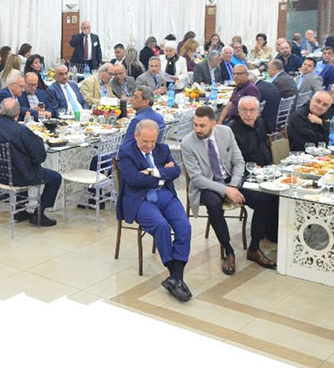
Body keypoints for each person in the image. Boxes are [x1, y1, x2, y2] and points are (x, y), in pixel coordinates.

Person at [181, 106, 277, 274]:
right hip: (207, 184)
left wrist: (232, 186)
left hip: (231, 180)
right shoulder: (187, 143)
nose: (198, 129)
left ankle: (254, 248)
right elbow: (197, 178)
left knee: (264, 197)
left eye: (202, 125)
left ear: (213, 124)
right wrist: (225, 191)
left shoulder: (226, 132)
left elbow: (239, 162)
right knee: (213, 204)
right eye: (195, 125)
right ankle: (229, 251)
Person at [118, 119, 191, 302]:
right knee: (161, 226)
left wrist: (153, 173)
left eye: (153, 141)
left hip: (166, 196)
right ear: (136, 136)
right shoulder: (126, 152)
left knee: (184, 227)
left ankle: (176, 278)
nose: (150, 146)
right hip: (140, 199)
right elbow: (134, 179)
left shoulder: (162, 149)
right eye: (145, 141)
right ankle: (174, 273)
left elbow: (176, 171)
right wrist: (163, 175)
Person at [0, 98, 62, 227]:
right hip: (19, 176)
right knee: (55, 178)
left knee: (21, 163)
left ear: (0, 110)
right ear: (18, 112)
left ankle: (20, 211)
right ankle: (39, 214)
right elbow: (39, 156)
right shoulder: (21, 130)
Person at [228, 96, 272, 167]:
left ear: (258, 111)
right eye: (244, 110)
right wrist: (250, 167)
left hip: (267, 167)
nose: (248, 114)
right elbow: (231, 159)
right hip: (247, 169)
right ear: (239, 111)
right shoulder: (232, 129)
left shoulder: (261, 122)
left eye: (252, 110)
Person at [120, 87, 165, 152]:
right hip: (155, 153)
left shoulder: (138, 121)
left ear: (146, 101)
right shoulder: (159, 117)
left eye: (136, 97)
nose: (132, 99)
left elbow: (125, 147)